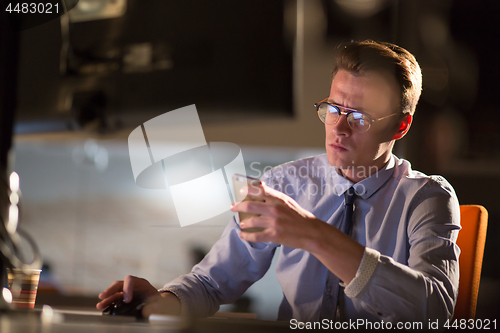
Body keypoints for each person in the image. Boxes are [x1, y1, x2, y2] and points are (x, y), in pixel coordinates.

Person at [96, 40, 460, 324]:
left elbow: (435, 312)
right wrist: (165, 300)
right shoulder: (284, 183)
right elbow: (211, 282)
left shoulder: (426, 198)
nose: (339, 127)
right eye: (333, 109)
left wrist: (313, 233)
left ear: (400, 125)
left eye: (360, 117)